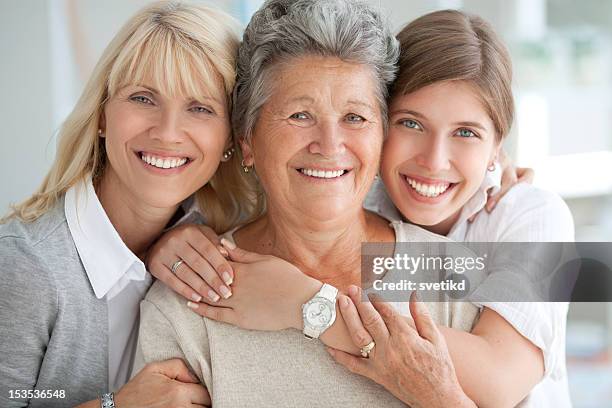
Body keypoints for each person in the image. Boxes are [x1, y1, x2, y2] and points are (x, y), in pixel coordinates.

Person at [145, 6, 574, 408]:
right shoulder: (188, 300)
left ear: (497, 150)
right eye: (299, 115)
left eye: (355, 118)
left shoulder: (514, 233)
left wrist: (307, 304)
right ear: (247, 140)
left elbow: (501, 379)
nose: (331, 146)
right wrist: (169, 237)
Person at [0, 2, 255, 407]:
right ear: (102, 114)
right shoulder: (26, 266)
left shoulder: (229, 235)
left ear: (230, 138)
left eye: (201, 108)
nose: (168, 133)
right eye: (143, 98)